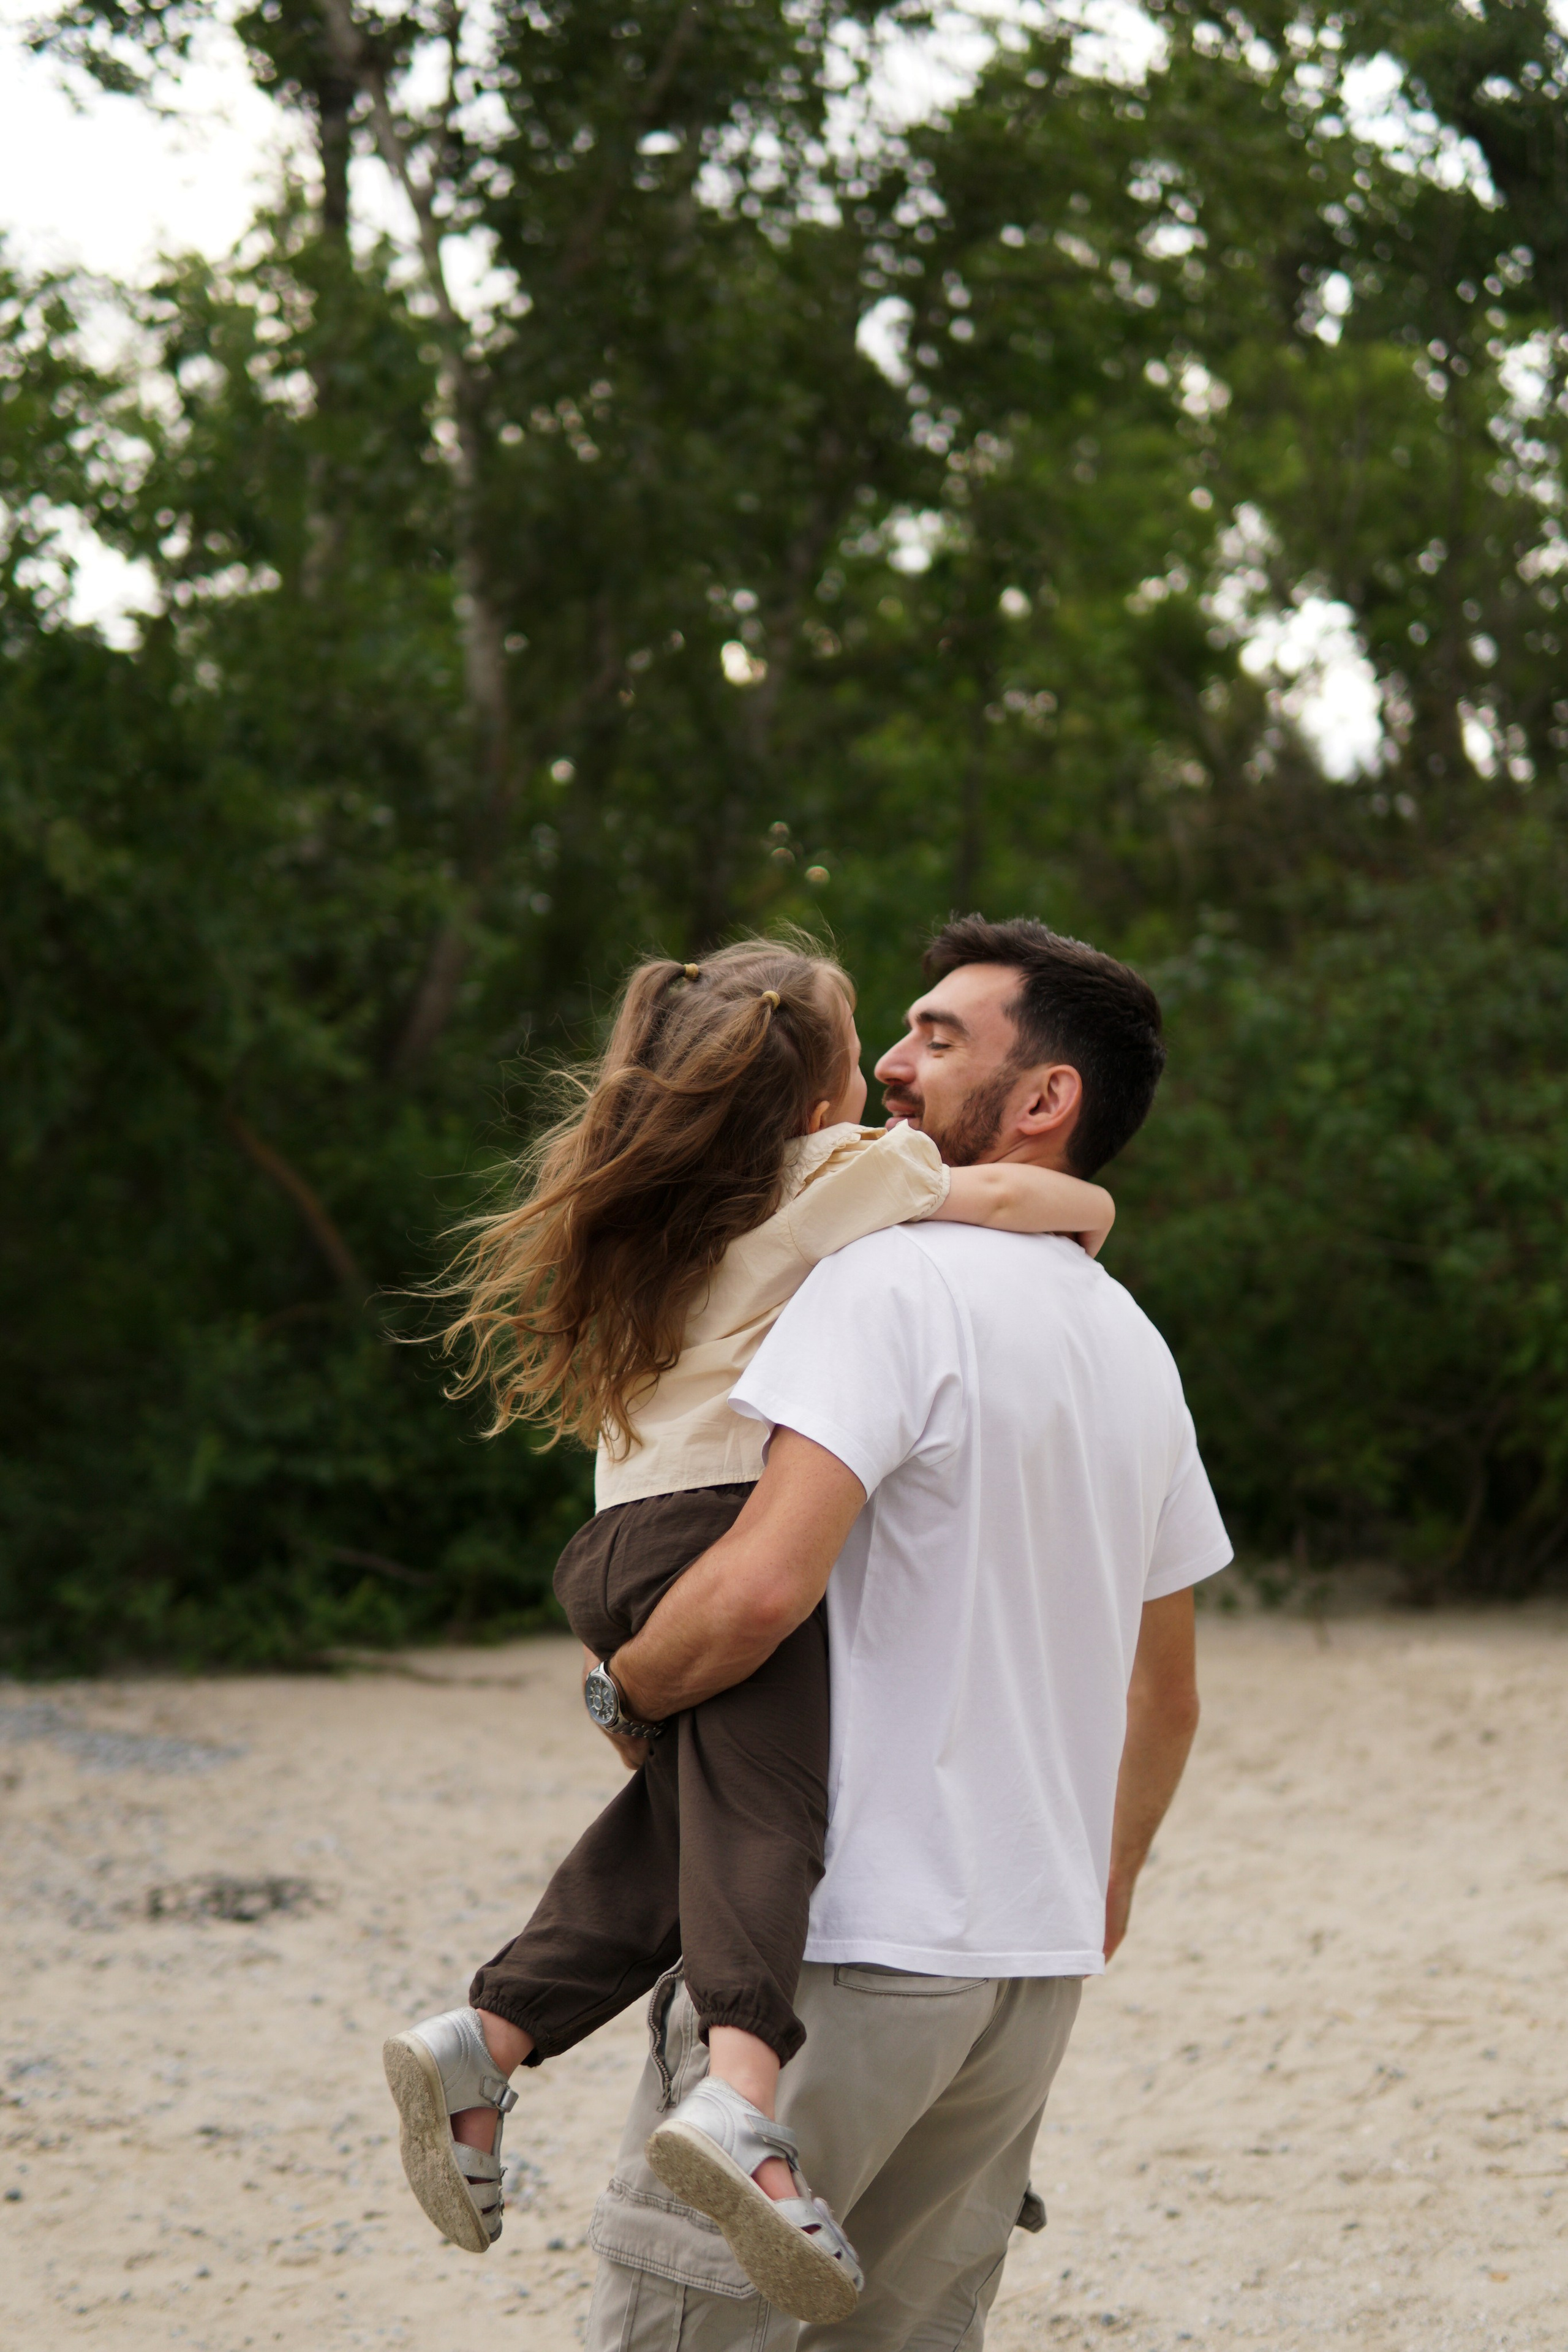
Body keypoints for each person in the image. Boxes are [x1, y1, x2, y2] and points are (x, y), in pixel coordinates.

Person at [381, 932, 1115, 2315]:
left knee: (687, 1822)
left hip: (624, 1541)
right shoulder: (842, 1180)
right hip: (713, 1537)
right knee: (771, 1820)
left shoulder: (693, 1207)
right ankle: (738, 2097)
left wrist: (628, 1688)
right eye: (869, 1053)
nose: (892, 1077)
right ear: (820, 1089)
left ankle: (484, 2036)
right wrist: (1097, 1218)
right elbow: (1021, 1195)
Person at [564, 914, 1234, 2352]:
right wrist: (1088, 1895)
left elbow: (754, 1589)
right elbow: (1163, 1696)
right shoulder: (1129, 1339)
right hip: (1020, 1980)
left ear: (1045, 1098)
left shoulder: (875, 1281)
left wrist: (623, 1695)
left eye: (939, 1035)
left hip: (839, 1955)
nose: (889, 1057)